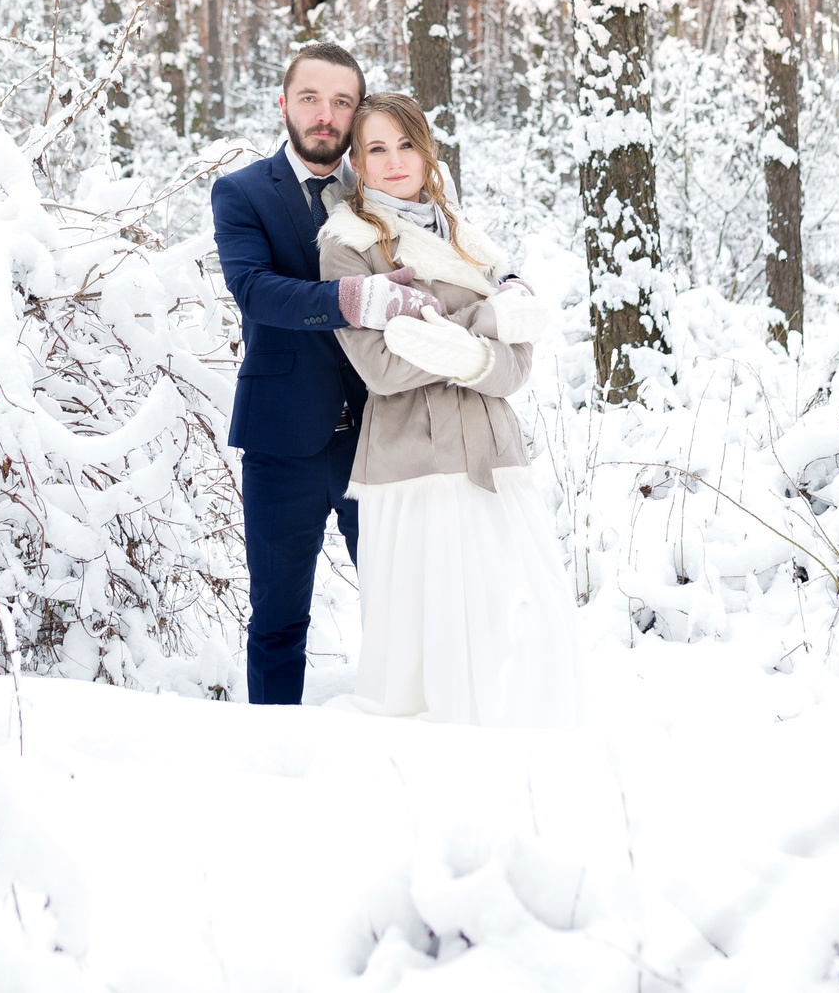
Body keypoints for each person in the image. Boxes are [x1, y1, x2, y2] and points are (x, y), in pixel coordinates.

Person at [318, 93, 584, 728]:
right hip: (416, 460)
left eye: (406, 145)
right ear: (356, 159)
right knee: (430, 639)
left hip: (495, 454)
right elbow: (381, 368)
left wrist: (456, 337)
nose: (393, 161)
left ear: (428, 151)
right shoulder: (347, 245)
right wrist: (485, 322)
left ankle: (530, 769)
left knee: (522, 621)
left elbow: (517, 366)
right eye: (375, 149)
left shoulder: (468, 239)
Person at [210, 44, 442, 705]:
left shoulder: (379, 189)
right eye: (311, 97)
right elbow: (254, 288)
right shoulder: (244, 192)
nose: (325, 114)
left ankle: (410, 743)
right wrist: (349, 298)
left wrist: (503, 279)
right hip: (283, 444)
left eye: (342, 101)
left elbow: (449, 247)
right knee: (280, 622)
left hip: (380, 435)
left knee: (404, 610)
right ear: (284, 104)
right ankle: (273, 760)